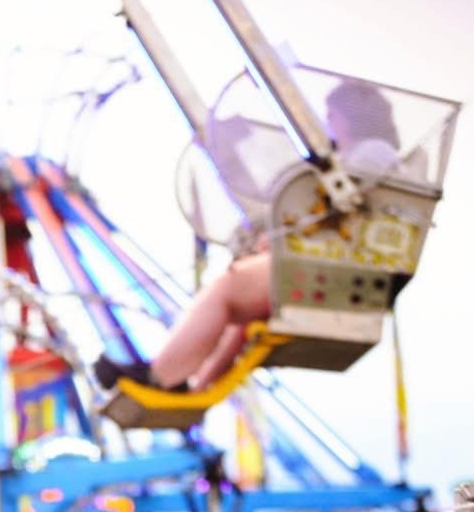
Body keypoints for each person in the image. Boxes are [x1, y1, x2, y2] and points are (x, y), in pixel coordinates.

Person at [95, 80, 409, 395]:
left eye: (333, 115)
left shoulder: (370, 154)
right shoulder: (371, 157)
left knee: (227, 287)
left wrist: (283, 239)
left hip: (339, 273)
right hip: (340, 269)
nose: (328, 124)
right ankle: (194, 385)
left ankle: (158, 375)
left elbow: (336, 210)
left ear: (352, 116)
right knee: (239, 317)